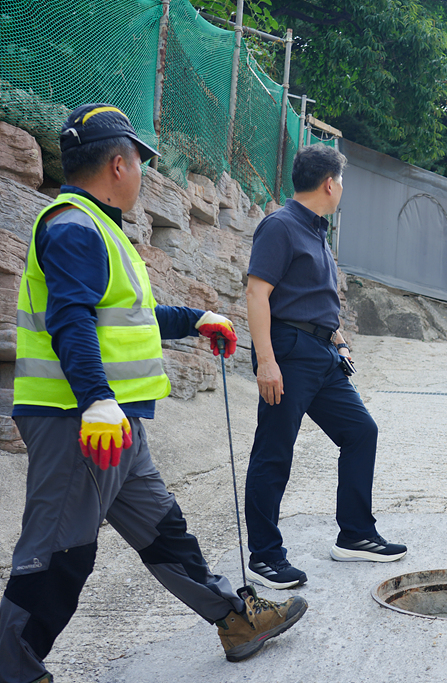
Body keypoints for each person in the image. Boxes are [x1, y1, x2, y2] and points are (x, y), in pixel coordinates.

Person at [0, 104, 307, 683]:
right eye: (140, 162)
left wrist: (196, 318)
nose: (142, 173)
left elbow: (132, 317)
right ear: (118, 164)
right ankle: (13, 667)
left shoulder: (96, 228)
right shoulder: (75, 226)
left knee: (166, 531)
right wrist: (95, 398)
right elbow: (71, 320)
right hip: (80, 422)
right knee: (60, 553)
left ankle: (236, 619)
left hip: (114, 425)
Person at [243, 144, 405, 591]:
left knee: (360, 432)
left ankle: (355, 534)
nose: (342, 190)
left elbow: (309, 295)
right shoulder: (279, 226)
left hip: (323, 353)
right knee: (274, 451)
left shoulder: (315, 229)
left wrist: (336, 337)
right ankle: (265, 557)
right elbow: (258, 294)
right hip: (288, 353)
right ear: (330, 183)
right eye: (343, 182)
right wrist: (267, 362)